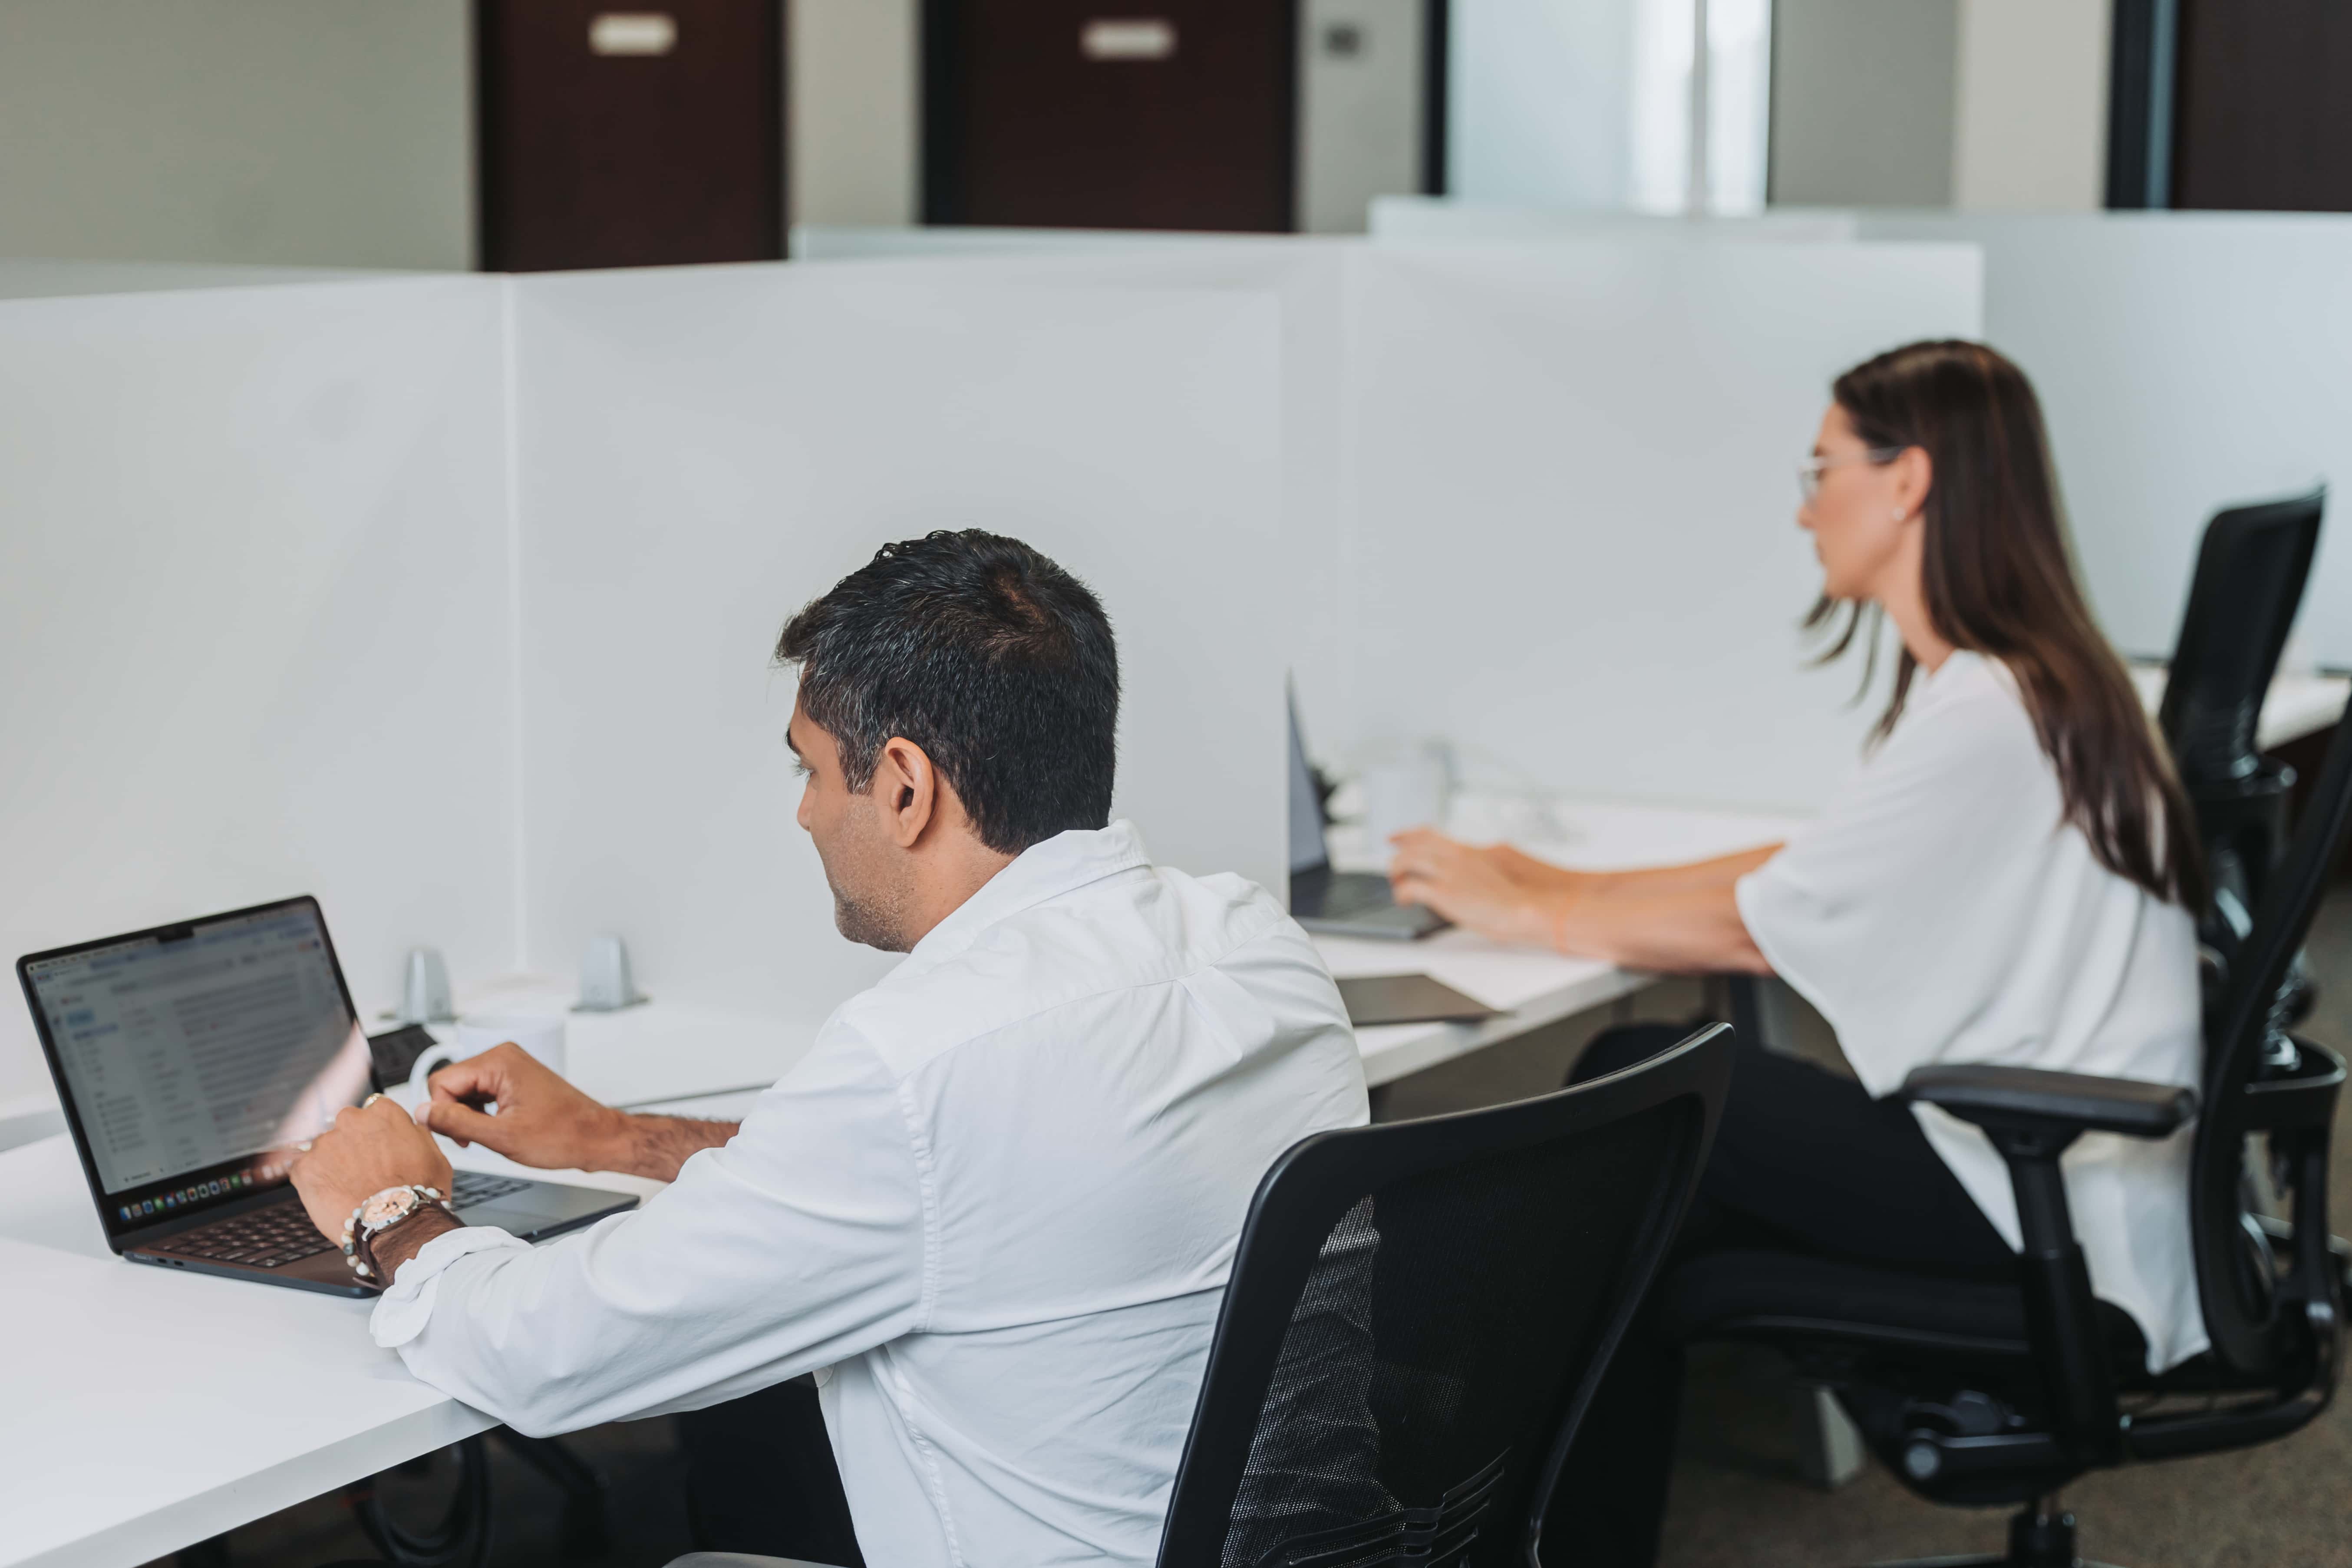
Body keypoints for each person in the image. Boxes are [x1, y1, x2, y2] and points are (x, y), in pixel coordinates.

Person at [286, 530, 1368, 1568]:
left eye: (809, 770)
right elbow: (996, 1173)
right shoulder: (1257, 953)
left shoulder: (922, 1059)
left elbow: (545, 1355)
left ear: (904, 785)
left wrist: (395, 1213)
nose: (805, 814)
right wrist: (620, 1140)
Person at [1387, 340, 2207, 1563]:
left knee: (1644, 1094)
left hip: (2039, 1189)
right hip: (2049, 1167)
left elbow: (1748, 924)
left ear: (1907, 480)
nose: (1801, 502)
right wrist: (1539, 879)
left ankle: (1446, 1456)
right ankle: (1520, 1515)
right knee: (1645, 1201)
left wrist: (1527, 914)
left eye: (1821, 467)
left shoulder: (1990, 707)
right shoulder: (2018, 683)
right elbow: (1806, 869)